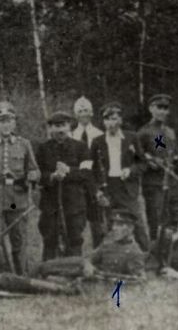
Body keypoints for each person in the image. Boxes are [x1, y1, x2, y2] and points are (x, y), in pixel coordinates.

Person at [0, 101, 40, 275]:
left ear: (14, 123)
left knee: (19, 238)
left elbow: (33, 169)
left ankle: (21, 275)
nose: (5, 124)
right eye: (1, 121)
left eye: (9, 120)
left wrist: (32, 176)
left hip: (16, 200)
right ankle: (1, 275)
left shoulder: (24, 144)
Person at [90, 102, 150, 250]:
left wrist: (130, 170)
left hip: (128, 188)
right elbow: (92, 169)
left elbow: (143, 163)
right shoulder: (97, 142)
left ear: (121, 120)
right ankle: (111, 259)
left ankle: (147, 256)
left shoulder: (133, 137)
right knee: (110, 224)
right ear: (103, 122)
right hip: (108, 187)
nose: (112, 123)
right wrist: (97, 190)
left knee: (137, 223)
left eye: (115, 119)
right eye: (108, 119)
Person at [36, 111, 91, 260]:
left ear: (70, 126)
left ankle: (75, 270)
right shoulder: (42, 148)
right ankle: (47, 272)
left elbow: (86, 173)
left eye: (63, 125)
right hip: (50, 204)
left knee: (75, 239)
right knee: (49, 238)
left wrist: (68, 171)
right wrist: (52, 176)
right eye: (56, 126)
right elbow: (37, 175)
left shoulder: (81, 147)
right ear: (50, 129)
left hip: (74, 203)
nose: (60, 130)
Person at [34, 209, 146, 279]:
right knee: (46, 267)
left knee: (51, 279)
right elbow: (91, 257)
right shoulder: (108, 242)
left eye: (119, 225)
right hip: (83, 270)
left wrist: (99, 274)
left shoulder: (135, 253)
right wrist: (88, 264)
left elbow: (135, 280)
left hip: (94, 280)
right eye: (114, 224)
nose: (114, 228)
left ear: (130, 228)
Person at [137, 94, 178, 242]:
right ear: (151, 108)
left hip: (172, 183)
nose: (163, 112)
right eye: (159, 108)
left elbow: (171, 153)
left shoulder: (169, 132)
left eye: (166, 108)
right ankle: (156, 254)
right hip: (155, 184)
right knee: (157, 221)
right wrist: (148, 161)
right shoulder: (145, 132)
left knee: (177, 219)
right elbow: (136, 157)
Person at [70, 96, 106, 248]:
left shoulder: (99, 134)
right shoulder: (71, 135)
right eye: (80, 111)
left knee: (97, 222)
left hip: (96, 183)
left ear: (92, 113)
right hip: (77, 184)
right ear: (75, 114)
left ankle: (98, 253)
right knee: (76, 221)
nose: (83, 113)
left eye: (86, 110)